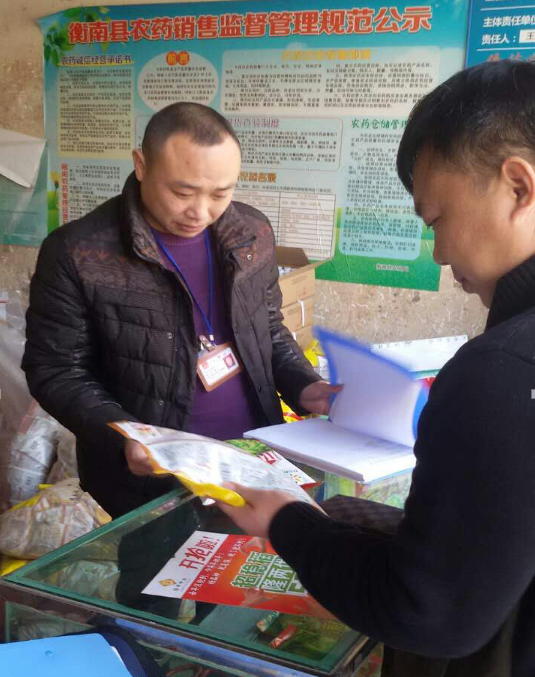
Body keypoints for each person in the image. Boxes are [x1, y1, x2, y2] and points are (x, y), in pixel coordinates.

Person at [217, 60, 535, 677]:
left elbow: (429, 611)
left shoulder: (503, 369)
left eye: (437, 220)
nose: (440, 254)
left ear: (519, 187)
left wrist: (287, 522)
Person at [22, 102, 338, 518]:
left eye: (221, 194)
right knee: (158, 562)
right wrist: (124, 436)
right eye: (182, 193)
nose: (201, 212)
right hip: (149, 483)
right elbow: (56, 370)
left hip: (255, 460)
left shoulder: (251, 232)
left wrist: (305, 385)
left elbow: (269, 329)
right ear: (141, 165)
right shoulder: (77, 252)